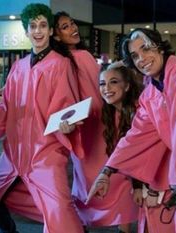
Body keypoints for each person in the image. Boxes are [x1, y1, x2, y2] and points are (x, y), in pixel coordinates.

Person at [0, 3, 85, 233]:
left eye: (43, 25)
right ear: (26, 31)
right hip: (15, 150)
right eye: (33, 26)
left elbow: (66, 106)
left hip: (46, 152)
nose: (38, 31)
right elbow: (6, 111)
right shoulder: (18, 68)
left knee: (59, 212)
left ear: (51, 31)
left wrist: (66, 125)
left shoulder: (60, 65)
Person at [86, 28, 176, 233]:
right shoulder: (150, 94)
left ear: (160, 48)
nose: (142, 58)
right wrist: (106, 171)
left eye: (146, 48)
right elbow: (136, 137)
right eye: (135, 55)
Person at [52, 11, 140, 233]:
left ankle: (96, 225)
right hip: (92, 123)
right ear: (55, 35)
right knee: (105, 175)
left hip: (95, 122)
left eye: (72, 23)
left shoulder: (75, 57)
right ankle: (117, 225)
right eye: (64, 26)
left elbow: (101, 85)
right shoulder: (70, 59)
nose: (73, 28)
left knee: (107, 176)